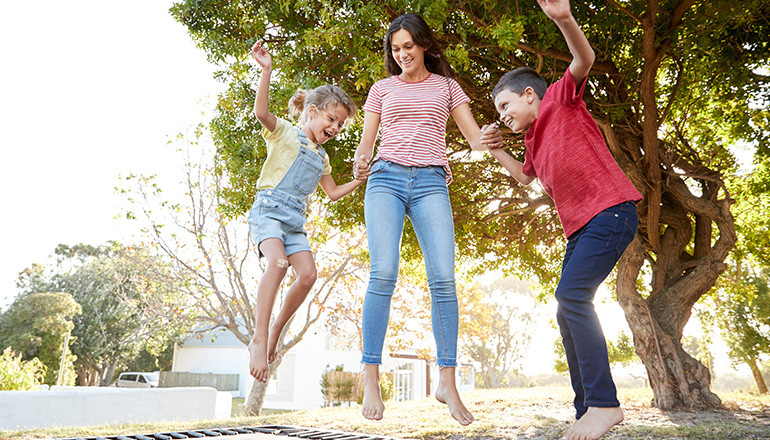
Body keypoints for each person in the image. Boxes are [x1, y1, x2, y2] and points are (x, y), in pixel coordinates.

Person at [482, 1, 642, 439]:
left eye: (505, 105)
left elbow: (582, 59)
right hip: (582, 228)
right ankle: (586, 408)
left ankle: (605, 404)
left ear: (529, 95)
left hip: (610, 211)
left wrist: (563, 19)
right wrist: (496, 148)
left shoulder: (559, 99)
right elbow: (526, 177)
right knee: (564, 309)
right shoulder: (532, 141)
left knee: (572, 297)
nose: (502, 114)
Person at [353, 13, 502, 426]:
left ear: (424, 46)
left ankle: (446, 382)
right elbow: (367, 142)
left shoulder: (447, 88)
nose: (401, 54)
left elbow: (473, 139)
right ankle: (371, 379)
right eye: (395, 49)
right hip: (385, 179)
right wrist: (360, 162)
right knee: (383, 273)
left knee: (444, 279)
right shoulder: (382, 89)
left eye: (408, 47)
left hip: (432, 181)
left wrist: (489, 136)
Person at [246, 40, 364, 383]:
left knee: (309, 275)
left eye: (340, 125)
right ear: (311, 111)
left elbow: (333, 193)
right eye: (332, 119)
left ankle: (274, 330)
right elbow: (261, 113)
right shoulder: (283, 132)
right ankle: (258, 337)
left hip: (295, 221)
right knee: (278, 263)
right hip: (268, 211)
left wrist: (359, 179)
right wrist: (267, 71)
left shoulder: (324, 158)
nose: (336, 128)